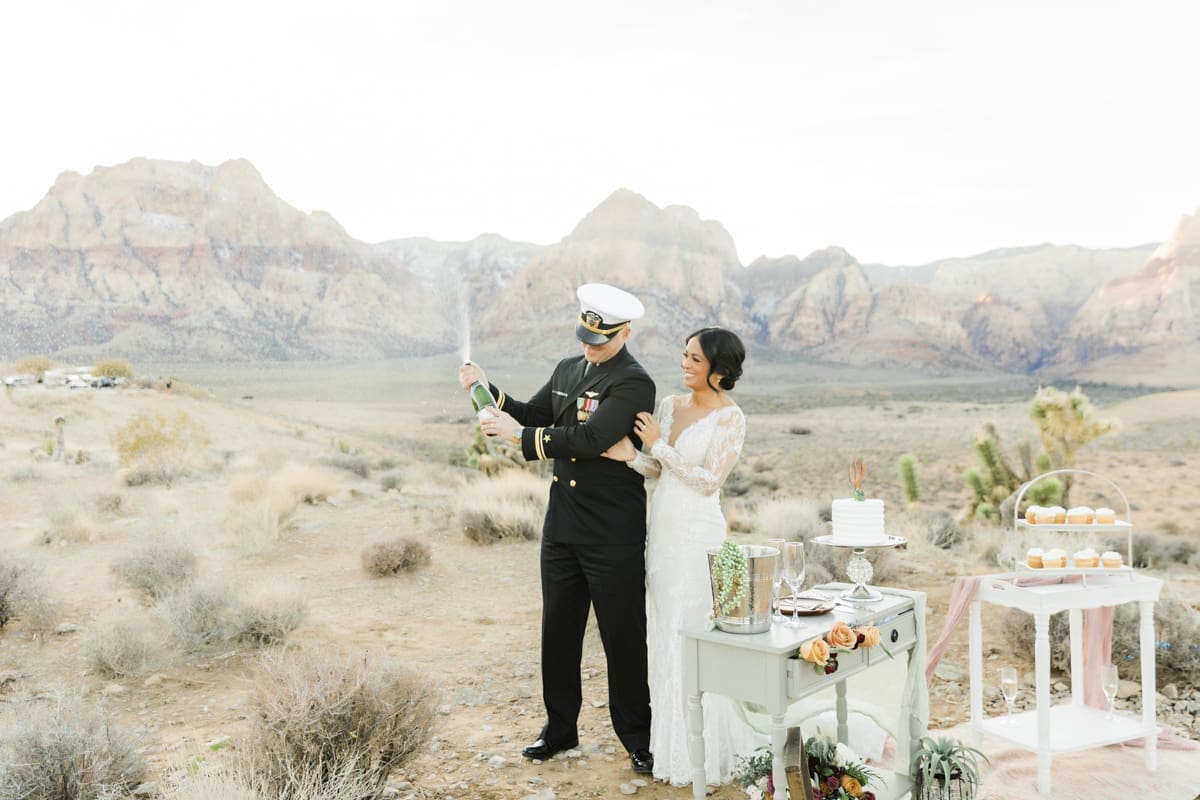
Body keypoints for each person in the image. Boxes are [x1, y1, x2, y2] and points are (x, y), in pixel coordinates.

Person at [458, 283, 657, 775]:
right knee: (559, 633)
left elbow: (591, 438)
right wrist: (486, 389)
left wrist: (519, 437)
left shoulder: (633, 382)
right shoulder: (569, 369)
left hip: (612, 531)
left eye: (601, 339)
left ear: (625, 332)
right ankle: (559, 729)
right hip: (563, 525)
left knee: (622, 639)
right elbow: (534, 414)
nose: (589, 346)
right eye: (585, 336)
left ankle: (638, 737)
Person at [601, 326, 763, 787]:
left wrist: (655, 445)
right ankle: (669, 747)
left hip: (699, 536)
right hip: (663, 533)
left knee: (693, 633)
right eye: (685, 356)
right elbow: (659, 469)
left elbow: (708, 480)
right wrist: (628, 456)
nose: (685, 364)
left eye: (695, 359)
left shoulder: (732, 418)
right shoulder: (669, 406)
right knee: (663, 631)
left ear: (720, 370)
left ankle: (705, 753)